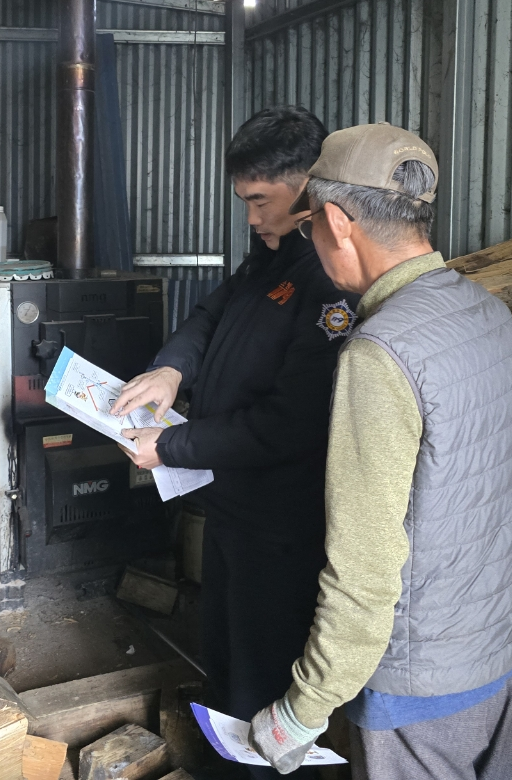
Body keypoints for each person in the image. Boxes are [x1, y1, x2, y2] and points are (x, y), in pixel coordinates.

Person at [249, 123, 512, 780]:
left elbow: (365, 567)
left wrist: (305, 708)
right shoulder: (488, 312)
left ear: (337, 222)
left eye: (311, 227)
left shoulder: (381, 353)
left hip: (428, 685)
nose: (313, 242)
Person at [111, 106, 360, 773]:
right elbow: (212, 311)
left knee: (262, 679)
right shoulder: (272, 254)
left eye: (260, 201)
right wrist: (172, 368)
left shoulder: (329, 279)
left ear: (308, 186)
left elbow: (289, 424)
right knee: (223, 658)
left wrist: (171, 448)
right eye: (244, 201)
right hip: (231, 505)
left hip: (282, 526)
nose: (250, 218)